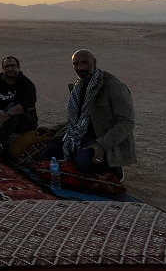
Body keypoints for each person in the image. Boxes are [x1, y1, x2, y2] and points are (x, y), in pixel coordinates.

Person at [37, 49, 135, 178]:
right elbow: (79, 120)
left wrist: (102, 145)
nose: (81, 68)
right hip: (80, 135)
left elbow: (126, 123)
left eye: (84, 63)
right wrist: (55, 130)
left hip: (103, 136)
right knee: (45, 157)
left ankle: (113, 167)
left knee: (83, 165)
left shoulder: (113, 86)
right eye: (76, 64)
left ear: (94, 62)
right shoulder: (79, 87)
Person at [0, 56, 39, 152]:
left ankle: (0, 143)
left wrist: (7, 113)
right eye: (7, 66)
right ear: (3, 68)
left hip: (26, 121)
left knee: (13, 106)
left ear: (18, 68)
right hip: (2, 117)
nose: (10, 68)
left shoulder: (27, 84)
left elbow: (27, 104)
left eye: (13, 66)